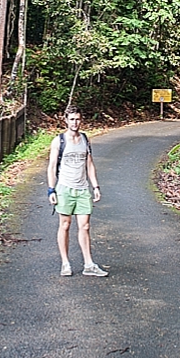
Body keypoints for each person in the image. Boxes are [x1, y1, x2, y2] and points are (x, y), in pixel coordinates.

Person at [47, 108, 107, 276]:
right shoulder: (58, 141)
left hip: (82, 189)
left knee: (85, 226)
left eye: (78, 119)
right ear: (65, 120)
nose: (75, 122)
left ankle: (89, 264)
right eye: (72, 119)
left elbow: (89, 164)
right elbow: (52, 167)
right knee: (65, 225)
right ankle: (65, 263)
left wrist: (95, 186)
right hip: (65, 188)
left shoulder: (85, 139)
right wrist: (51, 189)